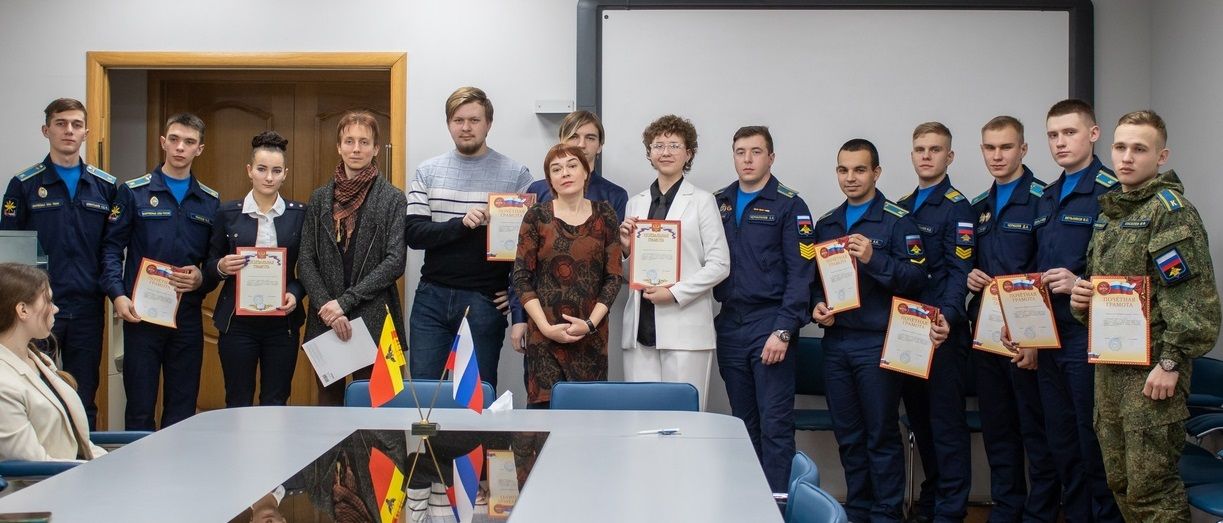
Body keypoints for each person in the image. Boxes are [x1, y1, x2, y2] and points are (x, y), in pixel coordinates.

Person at [1070, 110, 1220, 522]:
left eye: (1139, 149)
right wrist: (1081, 301)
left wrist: (1172, 362)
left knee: (1152, 490)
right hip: (1109, 370)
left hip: (1152, 374)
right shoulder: (1110, 214)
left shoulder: (1170, 212)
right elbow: (1106, 293)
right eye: (1120, 147)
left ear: (1161, 156)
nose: (1127, 157)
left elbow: (1194, 301)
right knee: (1121, 483)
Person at [809, 138, 940, 522]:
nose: (850, 177)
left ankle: (886, 514)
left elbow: (918, 280)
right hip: (837, 342)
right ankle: (858, 510)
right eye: (843, 170)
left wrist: (874, 258)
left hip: (878, 343)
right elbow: (815, 282)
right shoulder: (827, 223)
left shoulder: (897, 221)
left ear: (876, 172)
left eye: (860, 169)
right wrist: (816, 306)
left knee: (880, 434)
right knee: (848, 435)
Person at [1032, 99, 1122, 522]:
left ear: (1093, 133)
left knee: (1095, 445)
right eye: (1053, 135)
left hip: (1090, 336)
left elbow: (1130, 274)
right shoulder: (1047, 196)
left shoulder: (1112, 191)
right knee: (1063, 444)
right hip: (1049, 337)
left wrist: (1081, 283)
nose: (1060, 142)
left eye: (1069, 132)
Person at [1, 98, 117, 430]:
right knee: (35, 390)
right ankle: (37, 458)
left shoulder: (106, 186)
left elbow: (111, 247)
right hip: (36, 307)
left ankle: (84, 455)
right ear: (46, 130)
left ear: (86, 133)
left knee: (84, 393)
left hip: (87, 306)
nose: (69, 130)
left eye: (76, 124)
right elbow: (11, 251)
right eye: (61, 123)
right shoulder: (24, 185)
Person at [405, 86, 531, 389]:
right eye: (458, 120)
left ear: (489, 123)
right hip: (431, 299)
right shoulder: (427, 171)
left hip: (484, 300)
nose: (465, 127)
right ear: (448, 123)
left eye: (474, 120)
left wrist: (514, 294)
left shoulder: (516, 174)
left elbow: (527, 248)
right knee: (424, 394)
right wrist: (461, 224)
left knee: (476, 397)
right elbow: (414, 234)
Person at [966, 116, 1060, 522]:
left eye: (1006, 147)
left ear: (1023, 149)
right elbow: (966, 263)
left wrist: (1034, 340)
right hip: (987, 336)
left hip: (1027, 339)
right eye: (990, 148)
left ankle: (1040, 514)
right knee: (998, 429)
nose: (997, 155)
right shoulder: (978, 207)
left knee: (1036, 432)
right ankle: (1006, 510)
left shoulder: (1044, 200)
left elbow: (1049, 268)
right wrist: (969, 277)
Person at [101, 113, 219, 430]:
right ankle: (138, 464)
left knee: (182, 409)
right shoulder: (133, 192)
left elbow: (214, 261)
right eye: (175, 140)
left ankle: (178, 463)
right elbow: (111, 249)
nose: (180, 147)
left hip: (187, 316)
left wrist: (202, 278)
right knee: (140, 409)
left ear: (199, 149)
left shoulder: (209, 201)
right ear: (163, 142)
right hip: (142, 317)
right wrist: (117, 295)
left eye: (189, 142)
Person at [711, 126, 813, 492]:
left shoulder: (790, 205)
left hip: (770, 323)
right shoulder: (719, 202)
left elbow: (801, 274)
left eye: (756, 152)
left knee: (775, 424)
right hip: (730, 323)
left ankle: (778, 505)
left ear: (771, 157)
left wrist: (784, 330)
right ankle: (750, 501)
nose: (748, 159)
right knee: (743, 423)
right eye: (740, 152)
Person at [619, 114, 729, 412]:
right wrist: (626, 251)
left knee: (685, 422)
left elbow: (720, 264)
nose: (665, 152)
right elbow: (631, 274)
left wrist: (675, 292)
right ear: (649, 153)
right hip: (640, 330)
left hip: (685, 329)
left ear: (688, 153)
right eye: (658, 145)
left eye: (674, 145)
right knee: (641, 421)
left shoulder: (702, 201)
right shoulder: (635, 202)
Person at [894, 122, 974, 523]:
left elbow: (960, 270)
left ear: (950, 156)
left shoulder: (958, 207)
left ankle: (951, 510)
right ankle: (932, 497)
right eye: (920, 149)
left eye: (935, 149)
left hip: (942, 333)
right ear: (912, 155)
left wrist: (949, 317)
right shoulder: (902, 206)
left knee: (946, 426)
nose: (927, 156)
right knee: (921, 423)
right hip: (909, 332)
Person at [299, 111, 406, 406]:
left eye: (364, 142)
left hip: (374, 318)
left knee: (378, 409)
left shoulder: (393, 199)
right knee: (328, 408)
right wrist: (329, 308)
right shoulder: (319, 198)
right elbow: (305, 260)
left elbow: (395, 261)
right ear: (339, 147)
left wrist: (344, 303)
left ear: (375, 148)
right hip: (325, 318)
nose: (356, 149)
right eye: (349, 141)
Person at [511, 144, 623, 408]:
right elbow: (521, 277)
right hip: (544, 336)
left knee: (588, 419)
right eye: (556, 169)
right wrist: (545, 328)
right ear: (550, 180)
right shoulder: (536, 216)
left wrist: (590, 324)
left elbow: (613, 277)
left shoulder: (605, 215)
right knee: (544, 417)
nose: (565, 173)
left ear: (586, 172)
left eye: (572, 166)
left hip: (590, 337)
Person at [206, 131, 306, 407]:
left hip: (282, 324)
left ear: (285, 174)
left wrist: (295, 293)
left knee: (276, 401)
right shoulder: (227, 213)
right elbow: (209, 264)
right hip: (237, 324)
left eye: (276, 171)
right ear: (249, 170)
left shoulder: (299, 215)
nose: (269, 177)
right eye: (262, 169)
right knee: (238, 400)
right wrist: (221, 266)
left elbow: (309, 268)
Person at [0, 262, 107, 461]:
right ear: (23, 310)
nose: (56, 309)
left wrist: (107, 463)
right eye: (48, 301)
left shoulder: (39, 359)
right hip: (51, 478)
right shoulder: (3, 384)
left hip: (75, 471)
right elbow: (32, 466)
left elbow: (77, 438)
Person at [525, 111, 628, 221]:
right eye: (574, 137)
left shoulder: (615, 195)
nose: (581, 145)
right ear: (561, 141)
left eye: (590, 138)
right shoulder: (537, 190)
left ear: (599, 146)